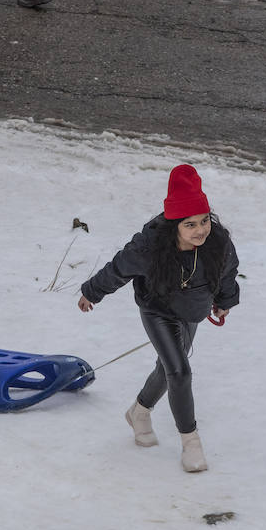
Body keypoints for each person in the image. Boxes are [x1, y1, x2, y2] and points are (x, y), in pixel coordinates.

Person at [77, 165, 239, 472]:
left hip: (193, 309)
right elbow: (118, 269)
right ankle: (191, 443)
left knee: (167, 370)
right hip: (158, 310)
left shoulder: (217, 243)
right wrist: (92, 292)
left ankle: (139, 412)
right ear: (174, 225)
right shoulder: (149, 247)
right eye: (190, 225)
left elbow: (227, 270)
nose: (200, 230)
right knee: (179, 371)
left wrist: (224, 300)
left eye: (204, 221)